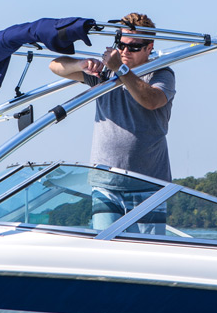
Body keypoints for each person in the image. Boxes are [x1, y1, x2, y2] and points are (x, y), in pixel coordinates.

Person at [49, 13, 175, 233]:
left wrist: (121, 69)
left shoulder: (162, 73)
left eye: (134, 47)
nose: (125, 52)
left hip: (149, 183)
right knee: (107, 251)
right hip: (105, 181)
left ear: (149, 47)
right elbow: (55, 65)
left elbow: (151, 100)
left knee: (147, 255)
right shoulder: (105, 73)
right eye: (121, 45)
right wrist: (82, 63)